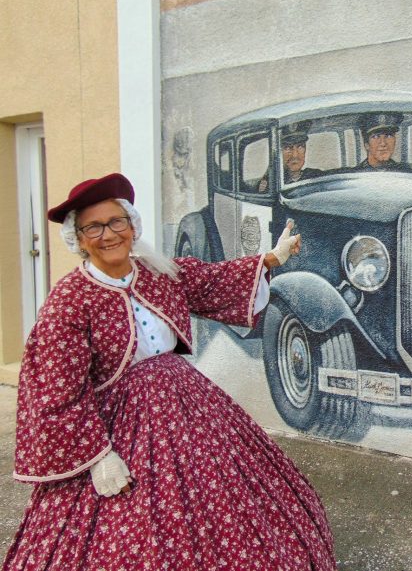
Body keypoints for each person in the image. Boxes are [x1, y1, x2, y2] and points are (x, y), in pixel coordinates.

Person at [2, 173, 336, 571]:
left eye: (116, 222)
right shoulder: (68, 302)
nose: (108, 235)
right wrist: (98, 457)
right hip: (118, 424)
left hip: (188, 403)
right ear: (78, 237)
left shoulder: (158, 273)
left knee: (219, 494)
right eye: (93, 226)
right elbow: (57, 390)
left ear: (131, 225)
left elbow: (212, 282)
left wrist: (272, 258)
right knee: (130, 521)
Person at [258, 122, 322, 192]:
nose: (295, 155)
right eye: (287, 148)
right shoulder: (272, 183)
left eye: (300, 147)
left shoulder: (317, 176)